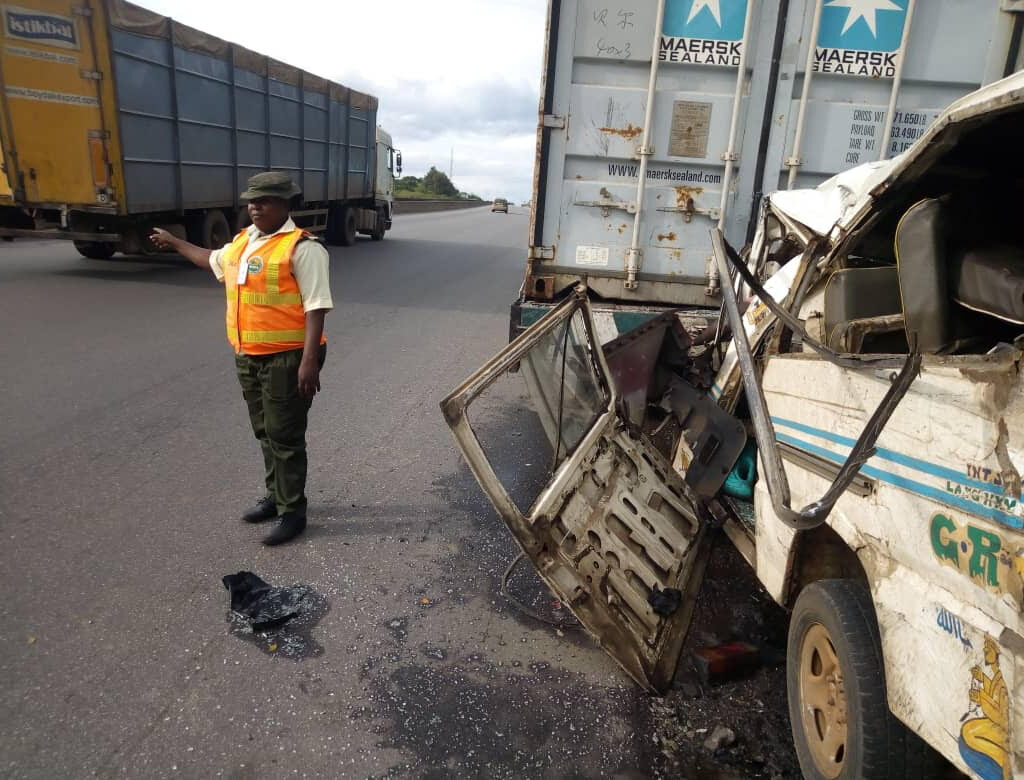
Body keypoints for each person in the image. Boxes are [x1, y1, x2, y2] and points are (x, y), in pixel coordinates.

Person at [151, 172, 332, 545]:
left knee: (285, 436)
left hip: (289, 356)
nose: (255, 206)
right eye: (252, 200)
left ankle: (292, 512)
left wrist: (308, 361)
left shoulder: (303, 248)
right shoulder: (243, 243)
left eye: (264, 200)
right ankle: (275, 496)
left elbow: (317, 307)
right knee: (265, 430)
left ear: (286, 205)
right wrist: (175, 242)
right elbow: (210, 260)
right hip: (249, 355)